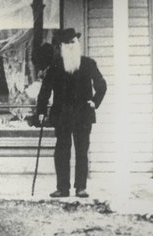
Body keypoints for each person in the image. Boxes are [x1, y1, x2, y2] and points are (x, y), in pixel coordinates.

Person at [34, 28, 107, 198]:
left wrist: (94, 102)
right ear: (62, 46)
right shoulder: (56, 66)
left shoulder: (88, 64)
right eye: (68, 43)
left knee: (82, 151)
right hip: (62, 115)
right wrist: (41, 110)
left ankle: (80, 187)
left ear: (78, 43)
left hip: (83, 115)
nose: (72, 45)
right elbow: (45, 91)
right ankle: (62, 188)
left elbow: (102, 85)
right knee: (62, 151)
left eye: (74, 42)